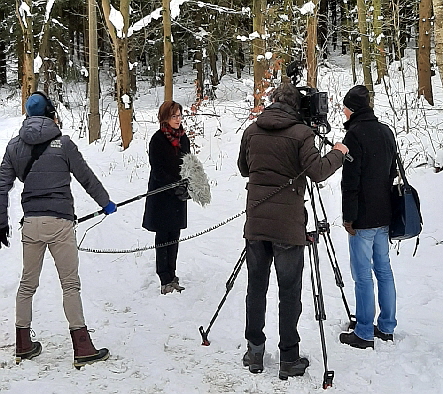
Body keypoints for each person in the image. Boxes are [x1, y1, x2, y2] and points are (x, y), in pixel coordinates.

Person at [237, 83, 348, 379]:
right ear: (298, 107)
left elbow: (244, 168)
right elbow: (318, 172)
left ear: (273, 101)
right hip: (288, 225)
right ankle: (288, 356)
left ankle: (255, 350)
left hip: (257, 222)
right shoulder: (302, 134)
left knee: (256, 287)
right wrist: (338, 152)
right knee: (289, 291)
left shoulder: (252, 130)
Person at [0, 91, 117, 367]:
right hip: (61, 223)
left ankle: (23, 344)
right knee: (70, 284)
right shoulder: (63, 144)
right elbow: (86, 177)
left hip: (31, 224)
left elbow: (1, 185)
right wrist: (106, 203)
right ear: (51, 113)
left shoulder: (14, 146)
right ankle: (82, 347)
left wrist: (0, 222)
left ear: (28, 115)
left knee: (27, 284)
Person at [339, 85, 397, 349]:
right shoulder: (386, 132)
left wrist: (349, 217)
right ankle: (386, 326)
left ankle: (363, 331)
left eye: (345, 108)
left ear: (352, 109)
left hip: (362, 216)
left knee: (362, 274)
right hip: (384, 212)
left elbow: (350, 181)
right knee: (383, 270)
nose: (343, 112)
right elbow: (392, 170)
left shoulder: (354, 137)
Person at [142, 100, 190, 295]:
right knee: (163, 236)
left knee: (175, 235)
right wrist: (173, 185)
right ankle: (164, 277)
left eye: (179, 116)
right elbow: (158, 169)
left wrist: (189, 183)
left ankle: (173, 273)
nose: (178, 120)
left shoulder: (183, 138)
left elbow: (188, 164)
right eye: (174, 116)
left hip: (179, 196)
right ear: (165, 118)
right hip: (161, 194)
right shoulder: (157, 139)